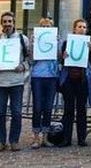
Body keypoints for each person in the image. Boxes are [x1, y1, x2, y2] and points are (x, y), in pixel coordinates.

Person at [59, 19, 91, 147]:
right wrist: (64, 56)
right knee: (68, 110)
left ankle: (81, 138)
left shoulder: (89, 43)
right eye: (79, 27)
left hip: (82, 80)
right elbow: (62, 61)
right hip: (69, 79)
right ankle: (66, 138)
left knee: (81, 110)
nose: (82, 29)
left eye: (84, 27)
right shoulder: (67, 43)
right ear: (74, 29)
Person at [0, 11, 29, 151]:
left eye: (9, 21)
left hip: (17, 82)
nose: (7, 24)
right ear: (1, 24)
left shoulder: (23, 39)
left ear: (14, 23)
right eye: (5, 22)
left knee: (17, 113)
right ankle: (1, 141)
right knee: (0, 113)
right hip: (1, 83)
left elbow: (30, 58)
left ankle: (14, 140)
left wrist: (23, 65)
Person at [30, 17, 59, 149]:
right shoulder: (35, 40)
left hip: (52, 76)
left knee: (48, 107)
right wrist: (33, 45)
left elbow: (60, 57)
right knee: (37, 107)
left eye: (48, 27)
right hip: (37, 76)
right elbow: (30, 58)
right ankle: (36, 136)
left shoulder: (56, 40)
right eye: (44, 26)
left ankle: (45, 136)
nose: (46, 29)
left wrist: (57, 44)